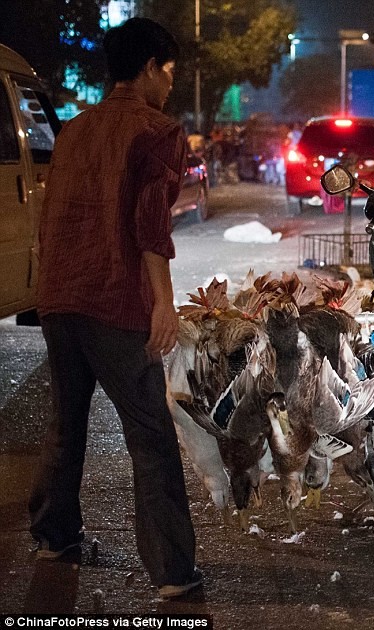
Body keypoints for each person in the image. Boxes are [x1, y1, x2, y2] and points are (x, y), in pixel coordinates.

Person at [29, 17, 201, 600]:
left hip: (58, 298)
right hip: (114, 301)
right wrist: (163, 304)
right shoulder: (157, 131)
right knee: (150, 437)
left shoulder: (75, 129)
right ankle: (174, 572)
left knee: (65, 423)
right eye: (171, 71)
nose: (172, 83)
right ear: (150, 67)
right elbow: (151, 227)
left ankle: (55, 536)